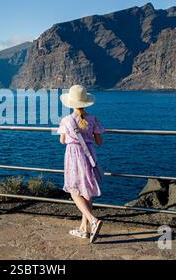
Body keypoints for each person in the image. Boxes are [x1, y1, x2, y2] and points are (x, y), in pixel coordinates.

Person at [57, 84, 105, 243]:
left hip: (73, 155)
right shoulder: (93, 119)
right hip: (89, 154)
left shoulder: (66, 120)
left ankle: (93, 220)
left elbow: (62, 141)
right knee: (87, 190)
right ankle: (84, 229)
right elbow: (99, 142)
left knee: (73, 189)